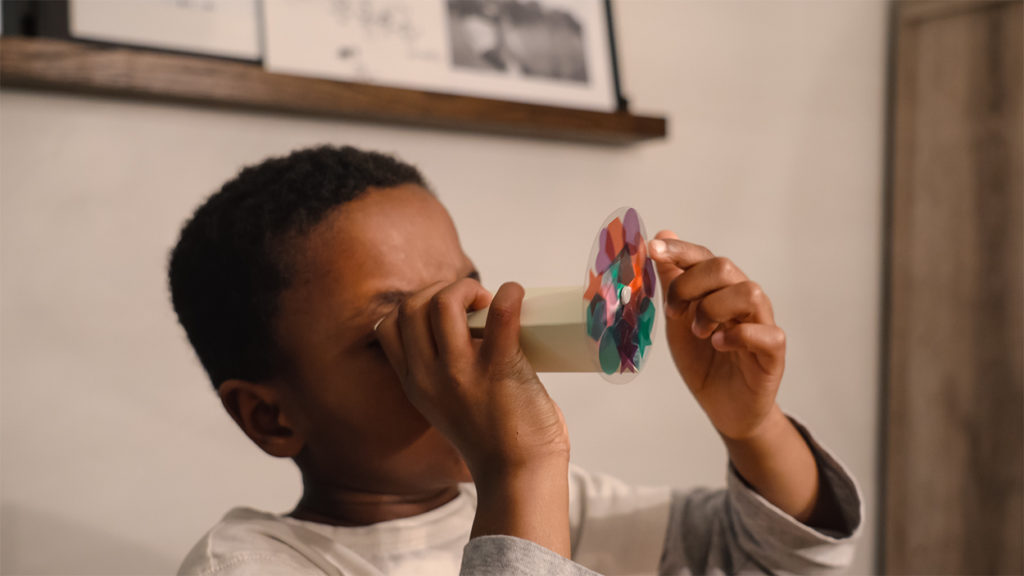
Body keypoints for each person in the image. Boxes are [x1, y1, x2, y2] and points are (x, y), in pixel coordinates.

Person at [170, 145, 861, 575]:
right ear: (270, 416)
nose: (470, 335)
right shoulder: (246, 566)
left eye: (466, 294)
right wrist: (520, 472)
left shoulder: (575, 508)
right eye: (401, 330)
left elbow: (784, 562)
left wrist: (752, 427)